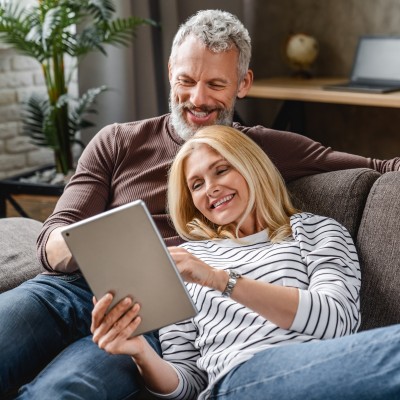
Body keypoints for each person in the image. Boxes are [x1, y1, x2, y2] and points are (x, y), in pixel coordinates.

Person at [0, 8, 399, 400]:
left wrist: (201, 279)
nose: (197, 98)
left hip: (151, 315)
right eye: (186, 80)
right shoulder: (117, 141)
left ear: (243, 83)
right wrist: (113, 246)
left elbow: (381, 167)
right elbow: (50, 243)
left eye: (215, 84)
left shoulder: (262, 150)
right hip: (66, 289)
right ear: (170, 71)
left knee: (64, 389)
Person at [91, 125, 400, 399]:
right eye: (196, 184)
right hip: (238, 380)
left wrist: (221, 280)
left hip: (325, 375)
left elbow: (336, 321)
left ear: (251, 167)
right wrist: (140, 352)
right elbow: (187, 382)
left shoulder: (316, 231)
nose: (210, 187)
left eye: (221, 170)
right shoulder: (190, 260)